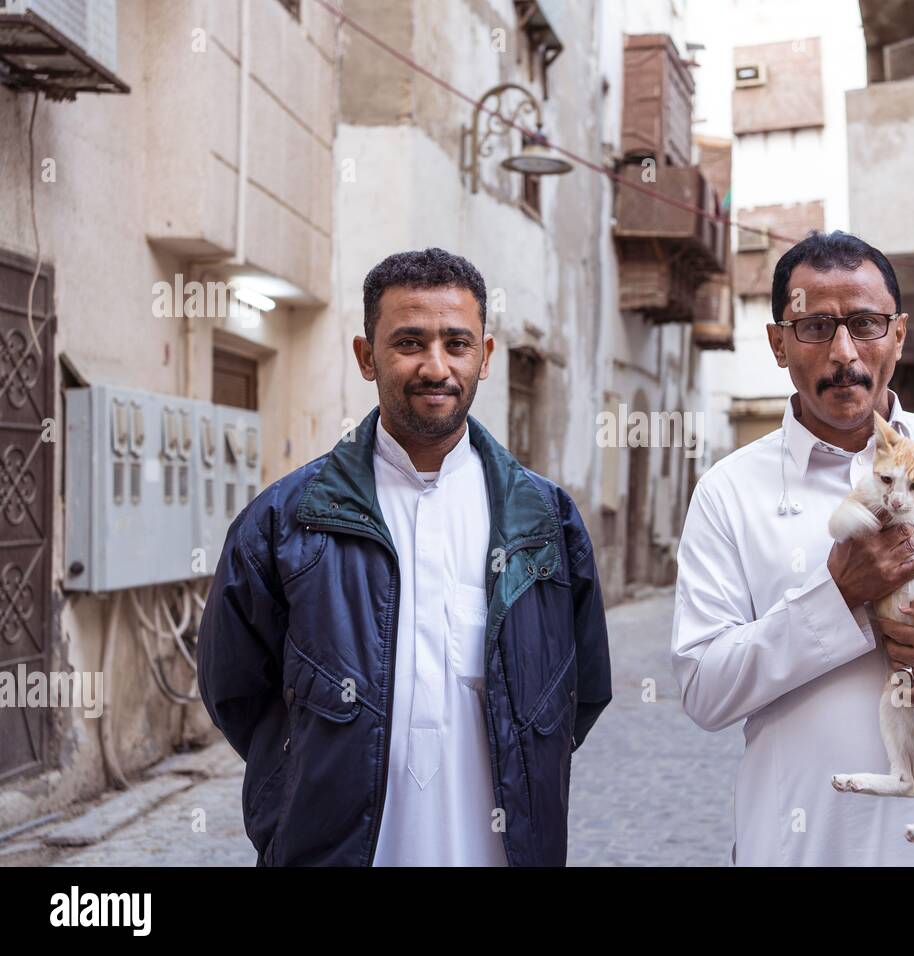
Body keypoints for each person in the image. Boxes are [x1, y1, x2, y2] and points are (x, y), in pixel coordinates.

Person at [198, 247, 612, 866]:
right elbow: (235, 690)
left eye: (457, 343)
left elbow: (578, 695)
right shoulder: (286, 522)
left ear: (486, 356)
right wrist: (305, 782)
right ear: (367, 357)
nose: (435, 366)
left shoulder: (545, 522)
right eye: (409, 342)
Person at [671, 230, 914, 865]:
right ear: (778, 342)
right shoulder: (728, 491)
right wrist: (839, 598)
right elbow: (704, 688)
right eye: (815, 327)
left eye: (865, 323)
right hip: (806, 842)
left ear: (900, 333)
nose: (844, 353)